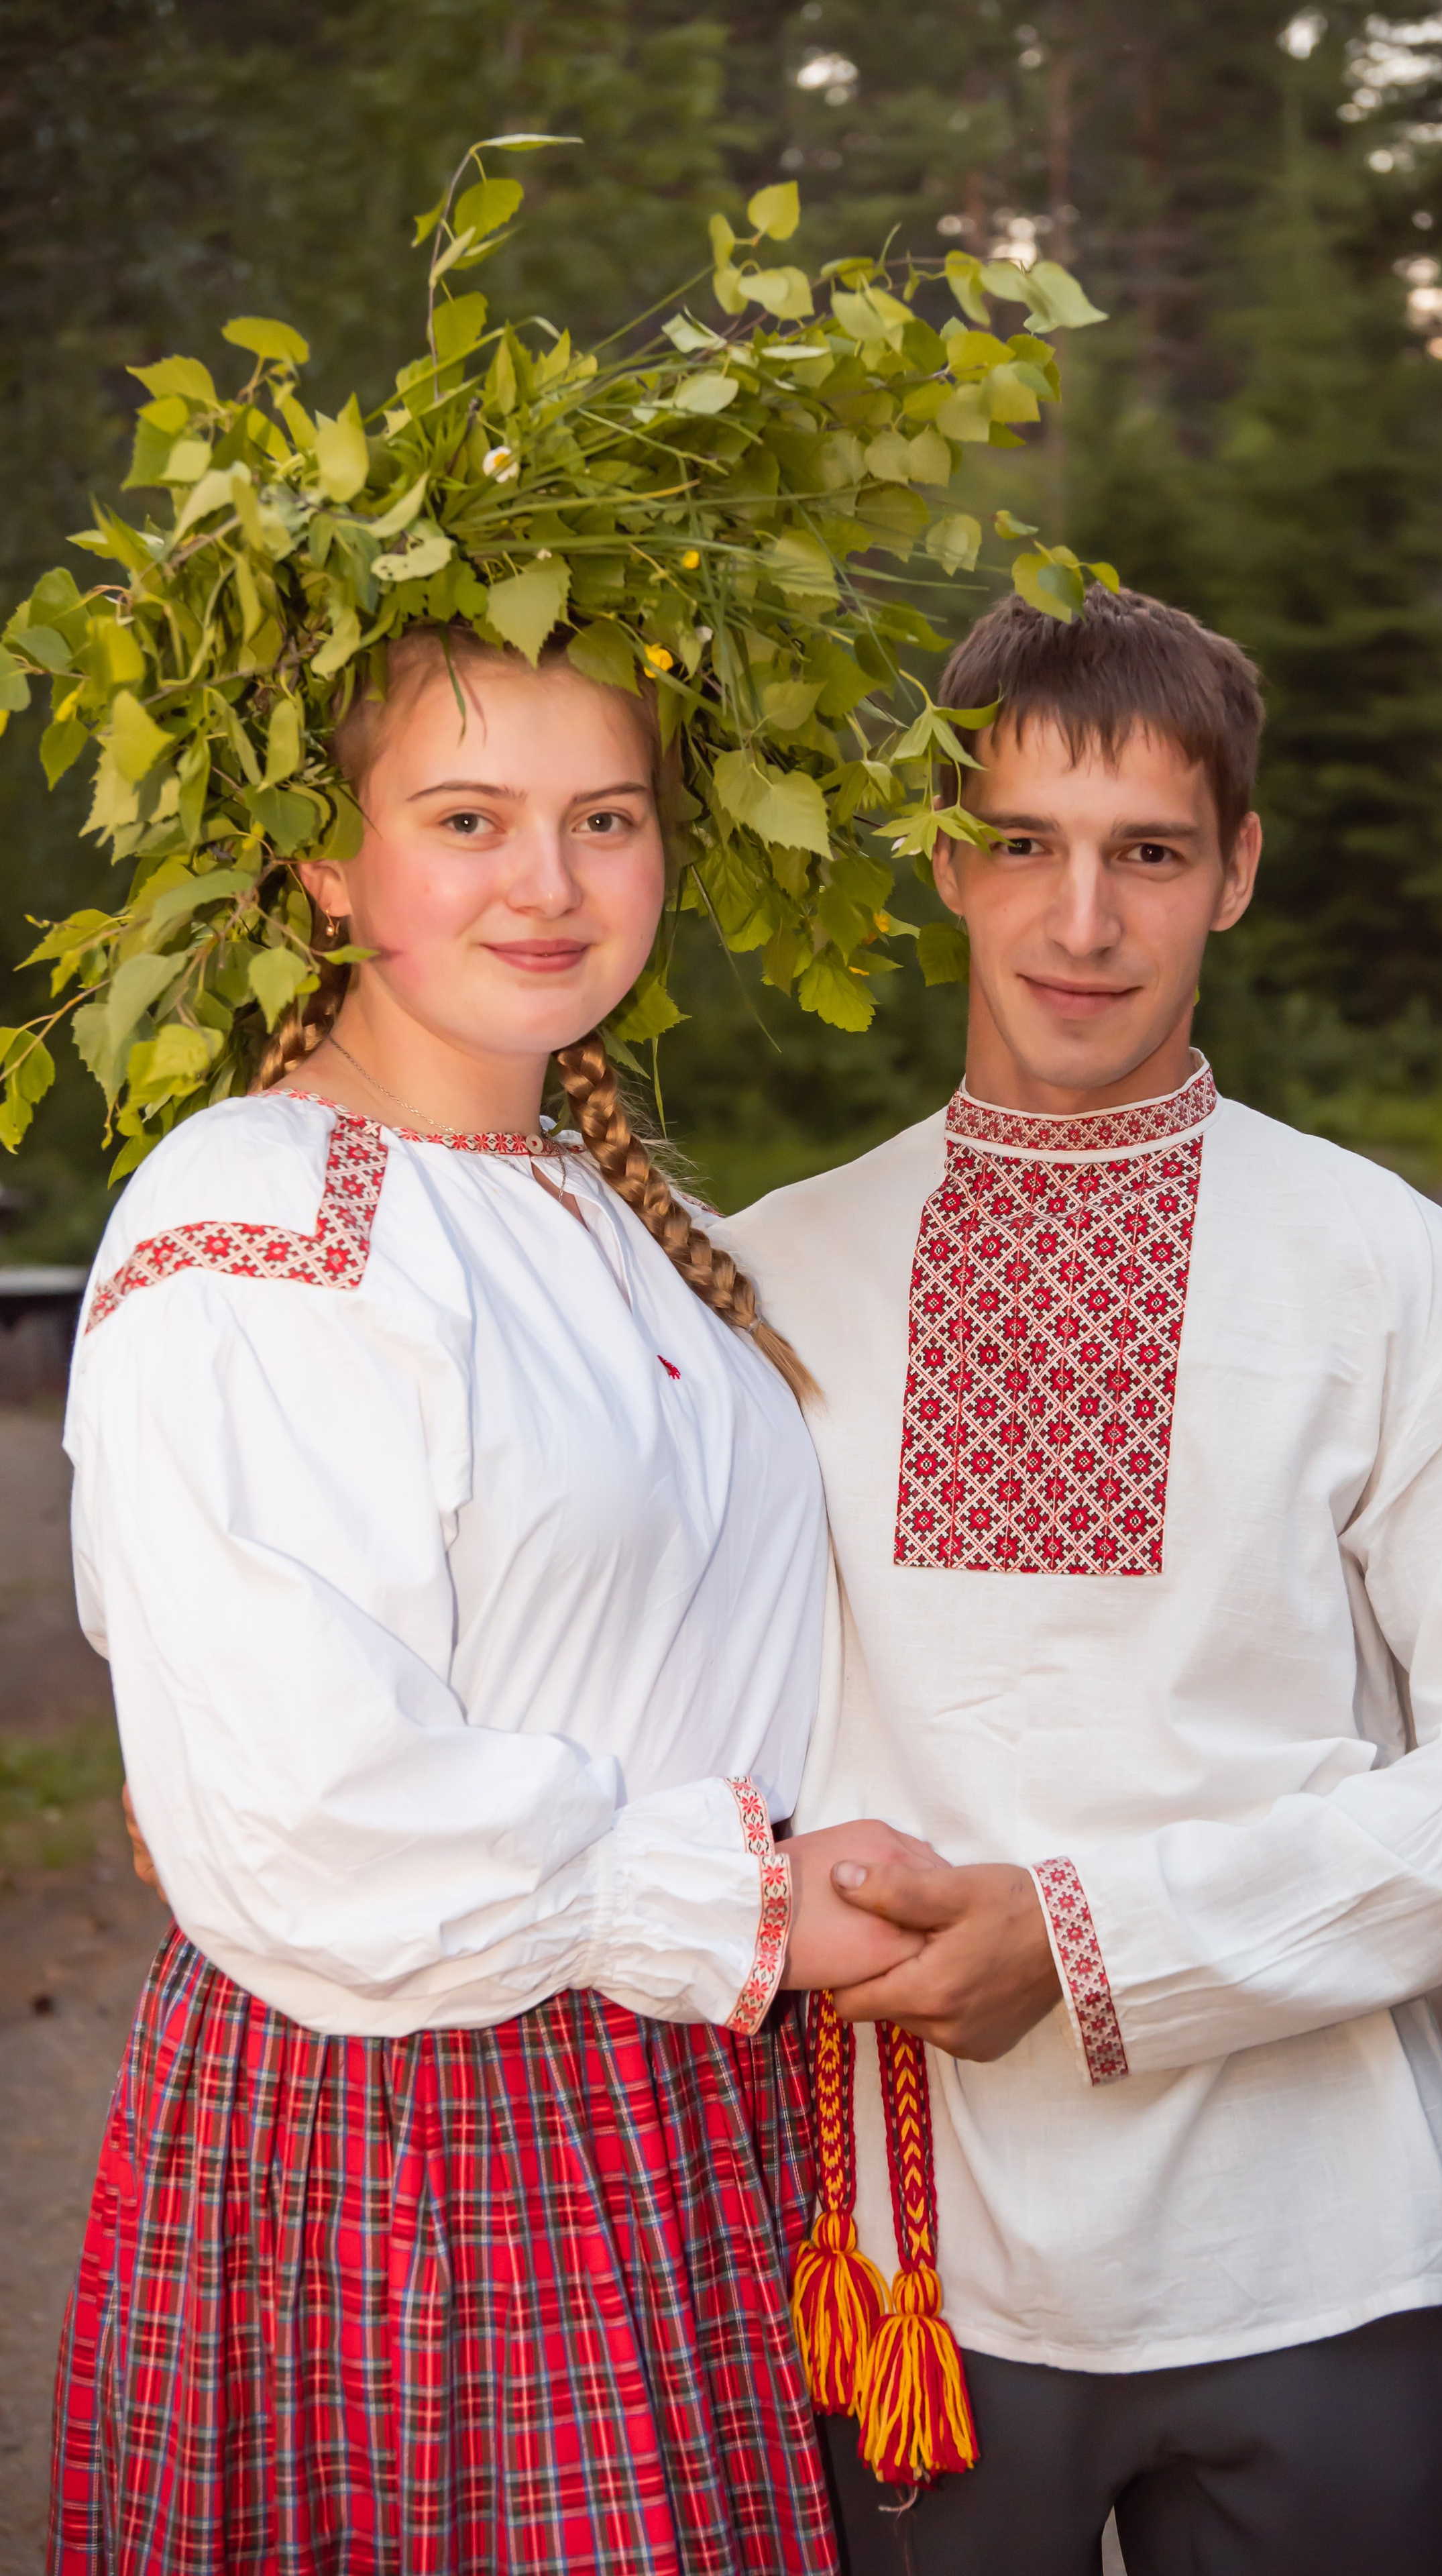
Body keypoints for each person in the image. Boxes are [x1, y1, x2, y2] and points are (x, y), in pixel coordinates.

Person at [724, 586, 1442, 2576]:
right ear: (943, 859)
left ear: (1234, 868)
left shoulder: (1389, 1271)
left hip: (1320, 2253)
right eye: (1024, 847)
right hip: (921, 2279)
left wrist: (1089, 1932)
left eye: (1144, 852)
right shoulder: (769, 1276)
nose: (1080, 923)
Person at [50, 631, 932, 2575]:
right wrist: (747, 1900)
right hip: (424, 2122)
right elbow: (312, 1813)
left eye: (601, 820)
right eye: (470, 821)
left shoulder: (601, 1207)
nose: (547, 883)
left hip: (676, 2098)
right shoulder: (262, 1226)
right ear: (329, 870)